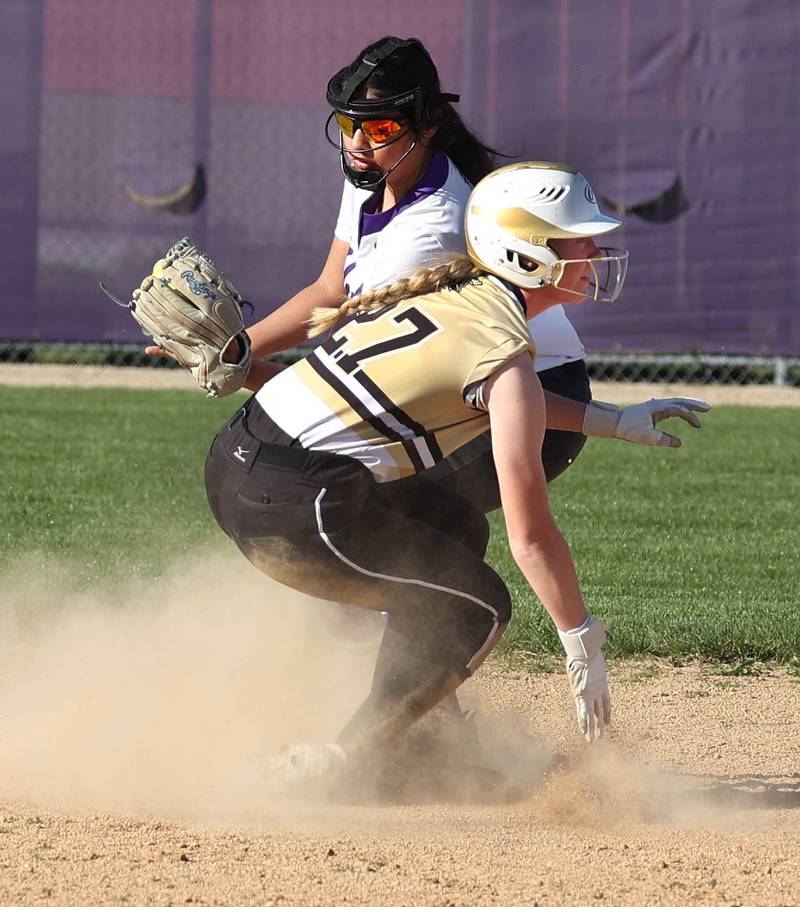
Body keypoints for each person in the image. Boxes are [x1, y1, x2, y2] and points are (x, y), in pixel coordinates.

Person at [204, 162, 633, 787]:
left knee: (452, 526)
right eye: (579, 239)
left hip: (240, 461)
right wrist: (581, 642)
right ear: (530, 254)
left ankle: (412, 736)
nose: (596, 250)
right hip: (294, 503)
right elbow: (532, 538)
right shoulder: (503, 353)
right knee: (479, 608)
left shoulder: (456, 296)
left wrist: (615, 420)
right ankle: (342, 768)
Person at [230, 35, 707, 513]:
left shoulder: (432, 230)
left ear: (428, 126)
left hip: (538, 394)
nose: (356, 143)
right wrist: (237, 350)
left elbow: (365, 387)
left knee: (377, 517)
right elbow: (330, 290)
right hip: (478, 382)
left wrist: (237, 368)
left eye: (379, 128)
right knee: (368, 516)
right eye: (347, 123)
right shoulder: (378, 170)